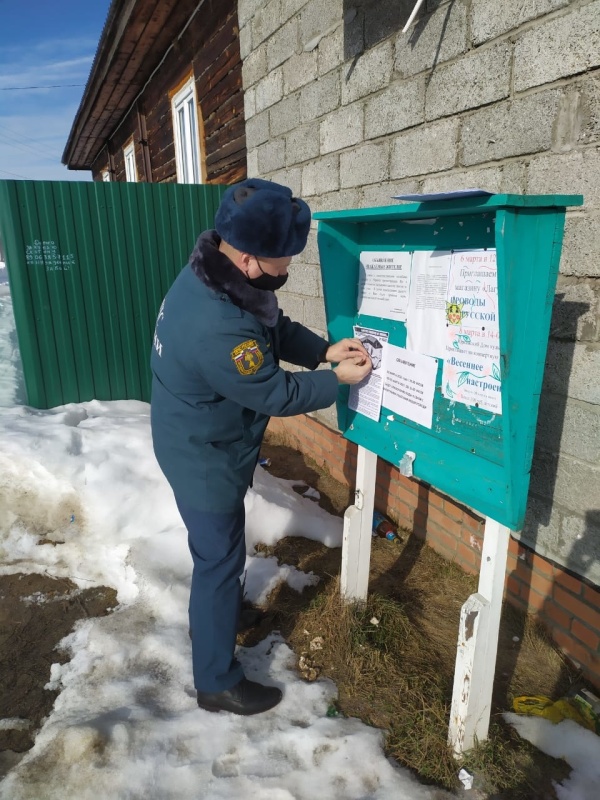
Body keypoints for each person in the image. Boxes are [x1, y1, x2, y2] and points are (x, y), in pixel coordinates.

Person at [150, 178, 372, 716]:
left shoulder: (216, 273)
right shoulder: (216, 325)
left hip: (202, 436)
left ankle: (223, 619)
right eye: (283, 261)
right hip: (204, 455)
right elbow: (274, 389)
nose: (287, 269)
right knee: (218, 563)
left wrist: (321, 349)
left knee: (221, 557)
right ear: (250, 260)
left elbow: (269, 328)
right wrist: (338, 378)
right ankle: (216, 681)